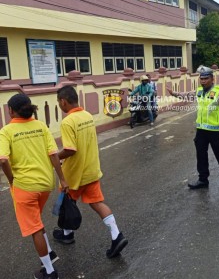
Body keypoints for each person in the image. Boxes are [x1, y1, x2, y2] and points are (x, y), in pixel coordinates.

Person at [53, 85, 128, 258]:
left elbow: (70, 149)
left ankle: (67, 234)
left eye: (58, 102)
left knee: (67, 203)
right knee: (97, 203)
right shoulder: (87, 115)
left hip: (74, 173)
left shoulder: (67, 122)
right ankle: (116, 235)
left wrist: (56, 156)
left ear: (63, 102)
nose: (59, 105)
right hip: (91, 169)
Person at [0, 94, 69, 279]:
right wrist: (62, 179)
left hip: (25, 187)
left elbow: (3, 159)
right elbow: (54, 155)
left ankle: (49, 271)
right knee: (36, 221)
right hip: (46, 184)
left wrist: (12, 179)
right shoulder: (41, 126)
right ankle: (50, 253)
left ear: (11, 111)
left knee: (34, 228)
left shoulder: (6, 131)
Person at [166, 65, 219, 189]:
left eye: (206, 78)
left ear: (212, 79)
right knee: (201, 154)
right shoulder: (199, 91)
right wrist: (174, 93)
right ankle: (203, 179)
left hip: (215, 130)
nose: (203, 81)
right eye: (201, 79)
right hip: (201, 130)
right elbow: (186, 95)